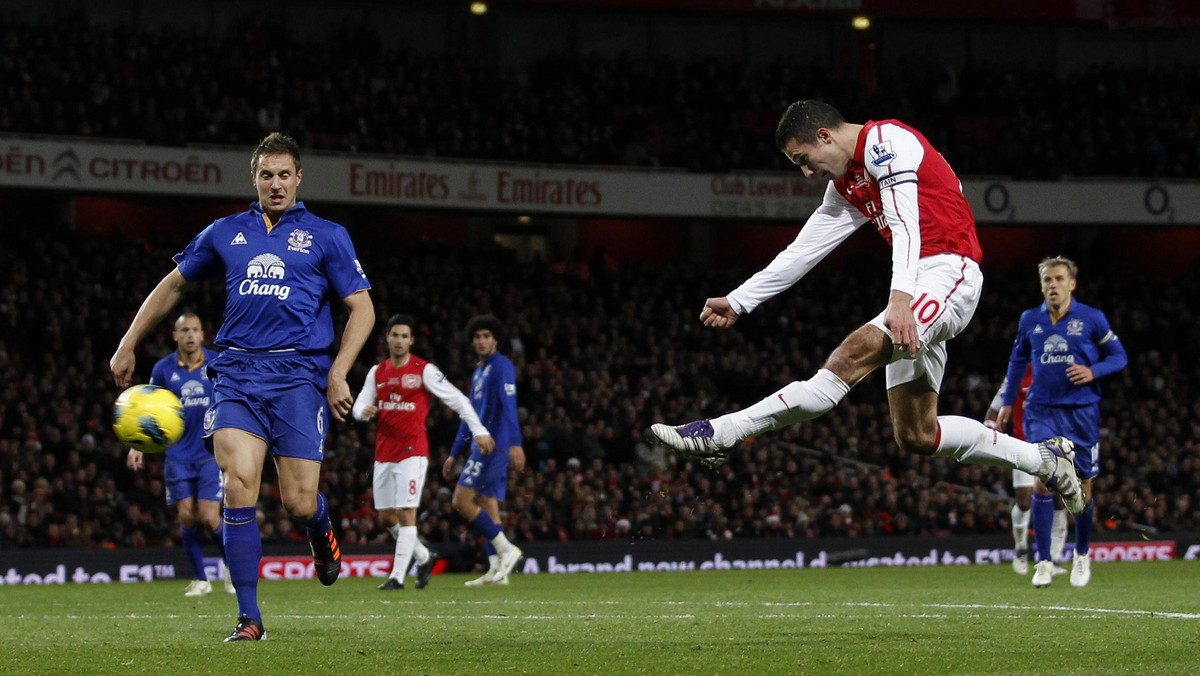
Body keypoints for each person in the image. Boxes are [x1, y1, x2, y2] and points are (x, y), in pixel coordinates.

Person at [649, 100, 1086, 520]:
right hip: (914, 283)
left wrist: (900, 300)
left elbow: (904, 223)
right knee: (916, 435)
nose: (805, 172)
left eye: (803, 158)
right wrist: (741, 299)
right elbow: (805, 248)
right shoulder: (845, 183)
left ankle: (722, 433)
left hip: (948, 271)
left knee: (845, 361)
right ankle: (1045, 459)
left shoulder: (886, 142)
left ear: (824, 136)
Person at [110, 133, 374, 642]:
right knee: (237, 484)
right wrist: (129, 341)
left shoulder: (328, 235)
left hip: (299, 377)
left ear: (299, 178)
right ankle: (249, 618)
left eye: (284, 174)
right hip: (234, 375)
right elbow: (173, 284)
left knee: (298, 503)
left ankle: (319, 529)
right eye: (265, 175)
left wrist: (339, 371)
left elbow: (361, 309)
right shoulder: (225, 232)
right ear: (253, 179)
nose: (275, 183)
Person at [997, 256, 1127, 588]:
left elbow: (1119, 356)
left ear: (1072, 284)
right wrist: (1008, 402)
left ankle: (1082, 554)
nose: (1052, 285)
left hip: (1081, 412)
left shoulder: (1091, 319)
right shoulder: (1030, 320)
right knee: (1043, 480)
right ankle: (1043, 560)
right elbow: (1016, 361)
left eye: (1058, 279)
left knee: (1081, 488)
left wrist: (1093, 371)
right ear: (1041, 285)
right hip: (1041, 411)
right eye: (1047, 280)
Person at [352, 313, 494, 590]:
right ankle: (424, 555)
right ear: (388, 338)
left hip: (412, 452)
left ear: (411, 340)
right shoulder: (377, 372)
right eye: (395, 335)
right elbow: (359, 405)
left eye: (405, 336)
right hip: (384, 453)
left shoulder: (423, 370)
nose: (399, 341)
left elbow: (458, 399)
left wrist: (479, 430)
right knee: (386, 517)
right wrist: (363, 412)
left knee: (406, 513)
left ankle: (397, 577)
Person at [125, 313, 234, 597]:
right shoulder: (163, 369)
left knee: (210, 516)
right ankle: (201, 580)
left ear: (202, 334)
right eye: (184, 330)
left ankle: (232, 569)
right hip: (177, 455)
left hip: (210, 452)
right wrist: (138, 444)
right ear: (175, 336)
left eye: (195, 329)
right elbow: (147, 408)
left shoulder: (216, 363)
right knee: (186, 516)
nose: (190, 335)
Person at [441, 315, 525, 586]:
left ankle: (506, 549)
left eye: (486, 336)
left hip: (494, 445)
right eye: (477, 337)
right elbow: (470, 416)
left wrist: (515, 443)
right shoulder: (479, 373)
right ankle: (496, 571)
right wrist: (455, 453)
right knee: (488, 506)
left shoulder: (502, 366)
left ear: (496, 340)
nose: (481, 341)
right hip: (483, 446)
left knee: (461, 501)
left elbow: (509, 404)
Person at [985, 367, 1068, 577]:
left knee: (1059, 499)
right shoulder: (1017, 374)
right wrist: (990, 428)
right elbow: (994, 409)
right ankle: (1020, 548)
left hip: (1053, 445)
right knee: (1024, 501)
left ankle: (1054, 557)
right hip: (1023, 444)